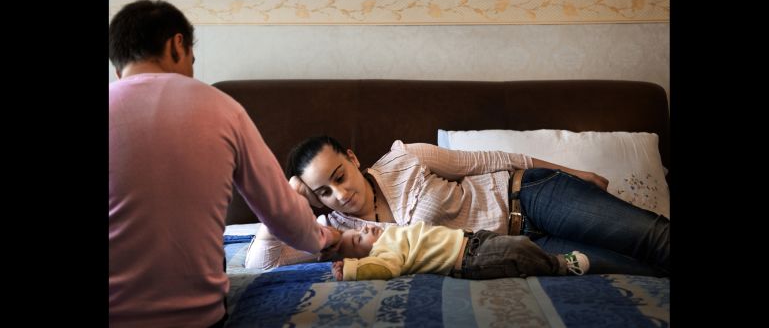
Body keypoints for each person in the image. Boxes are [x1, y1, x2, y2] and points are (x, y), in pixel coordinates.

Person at [109, 0, 340, 328]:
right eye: (192, 59)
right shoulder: (223, 109)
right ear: (178, 45)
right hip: (197, 316)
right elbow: (281, 213)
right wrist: (322, 238)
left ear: (118, 70)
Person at [247, 135, 669, 278]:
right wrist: (283, 199)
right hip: (520, 251)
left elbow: (490, 160)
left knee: (652, 237)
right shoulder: (334, 234)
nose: (339, 195)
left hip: (534, 197)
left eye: (339, 176)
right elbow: (259, 268)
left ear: (353, 159)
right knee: (636, 270)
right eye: (323, 192)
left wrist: (576, 173)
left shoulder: (403, 159)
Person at [329, 221, 590, 281]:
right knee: (519, 249)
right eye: (358, 237)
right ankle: (561, 265)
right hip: (472, 260)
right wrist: (352, 269)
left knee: (518, 244)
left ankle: (551, 260)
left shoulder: (391, 231)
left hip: (475, 240)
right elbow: (386, 268)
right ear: (365, 255)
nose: (364, 228)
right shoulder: (385, 251)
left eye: (359, 228)